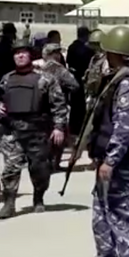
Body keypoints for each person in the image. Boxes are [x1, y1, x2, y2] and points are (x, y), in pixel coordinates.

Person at [74, 26, 129, 257]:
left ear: (113, 52)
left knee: (123, 216)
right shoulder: (116, 77)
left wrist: (112, 159)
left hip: (121, 163)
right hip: (107, 159)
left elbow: (124, 127)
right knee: (101, 214)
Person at [0, 39, 69, 218]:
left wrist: (58, 127)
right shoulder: (7, 79)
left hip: (37, 132)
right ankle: (9, 203)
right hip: (13, 131)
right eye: (16, 53)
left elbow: (58, 104)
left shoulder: (45, 79)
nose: (19, 55)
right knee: (10, 169)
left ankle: (38, 197)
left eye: (23, 52)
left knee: (40, 169)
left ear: (30, 55)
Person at [37, 42, 79, 171]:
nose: (59, 55)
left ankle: (45, 164)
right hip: (58, 105)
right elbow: (75, 85)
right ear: (53, 55)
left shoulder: (40, 68)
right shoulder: (60, 69)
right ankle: (54, 164)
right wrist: (63, 89)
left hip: (42, 107)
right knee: (59, 136)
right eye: (57, 53)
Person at [66, 26, 95, 136]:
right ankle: (80, 129)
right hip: (83, 79)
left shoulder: (71, 47)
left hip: (73, 78)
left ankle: (74, 128)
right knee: (82, 106)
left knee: (74, 106)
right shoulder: (87, 50)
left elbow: (69, 62)